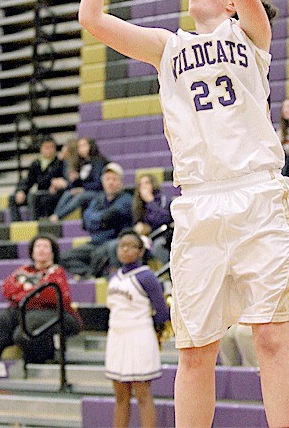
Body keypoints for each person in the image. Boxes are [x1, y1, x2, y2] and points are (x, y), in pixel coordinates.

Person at [78, 0, 289, 428]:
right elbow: (92, 17)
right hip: (199, 203)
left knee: (272, 339)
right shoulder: (168, 48)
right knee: (194, 350)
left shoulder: (252, 35)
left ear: (232, 2)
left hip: (258, 195)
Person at [105, 230, 170, 428]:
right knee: (120, 395)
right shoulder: (113, 276)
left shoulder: (146, 276)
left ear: (141, 251)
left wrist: (155, 330)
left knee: (142, 392)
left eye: (130, 246)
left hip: (139, 335)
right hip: (116, 337)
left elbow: (161, 311)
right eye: (121, 245)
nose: (124, 249)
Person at [0, 235, 81, 363]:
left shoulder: (57, 271)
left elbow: (50, 296)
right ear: (32, 251)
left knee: (26, 329)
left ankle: (39, 362)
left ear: (53, 252)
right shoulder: (24, 270)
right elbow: (7, 289)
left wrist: (22, 292)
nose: (41, 250)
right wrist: (31, 293)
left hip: (58, 314)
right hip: (23, 310)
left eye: (45, 247)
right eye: (38, 246)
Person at [60, 162, 133, 278]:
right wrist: (101, 221)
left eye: (114, 179)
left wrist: (98, 220)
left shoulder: (126, 199)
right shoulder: (98, 199)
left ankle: (97, 274)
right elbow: (87, 219)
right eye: (107, 179)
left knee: (101, 253)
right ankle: (90, 274)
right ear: (103, 181)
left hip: (114, 241)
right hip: (95, 243)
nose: (110, 182)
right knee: (64, 257)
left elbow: (110, 216)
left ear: (120, 182)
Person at [50, 137, 108, 222]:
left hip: (98, 192)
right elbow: (80, 182)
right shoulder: (83, 163)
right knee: (68, 193)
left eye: (83, 145)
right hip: (86, 190)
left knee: (80, 197)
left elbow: (98, 184)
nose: (81, 149)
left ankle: (58, 216)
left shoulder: (98, 162)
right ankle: (55, 215)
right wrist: (74, 181)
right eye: (79, 146)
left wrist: (82, 189)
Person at [8, 136, 65, 221]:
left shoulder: (60, 162)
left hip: (52, 195)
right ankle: (16, 224)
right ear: (41, 149)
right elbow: (28, 180)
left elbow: (59, 180)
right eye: (46, 147)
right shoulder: (36, 164)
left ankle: (33, 223)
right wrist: (21, 191)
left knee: (33, 197)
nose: (49, 150)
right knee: (13, 198)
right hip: (39, 194)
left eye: (51, 147)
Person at [132, 173, 173, 264]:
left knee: (157, 246)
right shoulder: (138, 202)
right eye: (141, 184)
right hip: (147, 236)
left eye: (147, 183)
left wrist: (150, 201)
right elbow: (137, 221)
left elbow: (165, 218)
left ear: (153, 184)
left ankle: (170, 272)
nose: (144, 187)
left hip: (164, 234)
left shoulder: (162, 197)